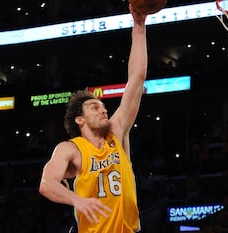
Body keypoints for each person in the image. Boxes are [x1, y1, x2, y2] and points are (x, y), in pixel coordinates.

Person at [39, 4, 148, 233]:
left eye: (103, 106)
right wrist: (77, 200)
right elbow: (47, 184)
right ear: (80, 119)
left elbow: (136, 77)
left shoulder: (116, 130)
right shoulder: (71, 149)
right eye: (94, 107)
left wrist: (139, 26)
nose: (103, 110)